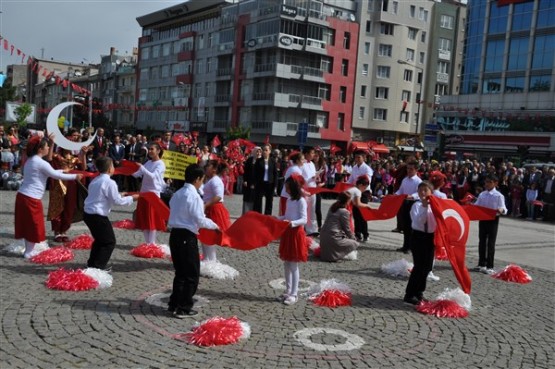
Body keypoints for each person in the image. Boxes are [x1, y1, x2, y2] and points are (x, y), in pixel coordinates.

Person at [14, 134, 83, 258]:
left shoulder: (31, 160)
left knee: (27, 225)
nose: (48, 148)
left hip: (23, 196)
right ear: (40, 149)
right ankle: (29, 252)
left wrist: (64, 171)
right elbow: (54, 175)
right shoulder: (40, 162)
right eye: (46, 146)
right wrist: (74, 176)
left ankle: (28, 250)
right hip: (31, 198)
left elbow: (51, 172)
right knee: (34, 225)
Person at [167, 164, 220, 318]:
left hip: (175, 235)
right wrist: (215, 226)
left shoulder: (177, 193)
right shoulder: (194, 196)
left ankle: (174, 303)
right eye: (202, 180)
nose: (201, 183)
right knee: (191, 274)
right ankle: (183, 307)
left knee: (180, 273)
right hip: (186, 237)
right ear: (197, 179)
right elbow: (200, 219)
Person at [83, 157, 139, 270]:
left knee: (100, 240)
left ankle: (92, 264)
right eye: (113, 166)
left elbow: (105, 195)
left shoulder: (96, 179)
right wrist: (132, 198)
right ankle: (98, 267)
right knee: (109, 242)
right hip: (97, 215)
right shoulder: (109, 182)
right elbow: (117, 201)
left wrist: (120, 194)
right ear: (109, 169)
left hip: (88, 214)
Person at [46, 128, 88, 243]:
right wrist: (51, 143)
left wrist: (83, 154)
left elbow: (83, 168)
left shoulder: (74, 159)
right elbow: (49, 159)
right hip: (58, 185)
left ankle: (64, 231)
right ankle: (57, 231)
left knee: (69, 207)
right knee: (58, 206)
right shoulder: (57, 156)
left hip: (71, 185)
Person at [403, 181, 437, 305]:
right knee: (419, 266)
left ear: (431, 192)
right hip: (418, 236)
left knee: (427, 267)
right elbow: (419, 221)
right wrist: (424, 206)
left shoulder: (434, 206)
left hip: (430, 237)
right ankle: (409, 294)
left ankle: (419, 292)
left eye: (425, 190)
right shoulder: (416, 205)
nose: (423, 192)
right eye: (420, 190)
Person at [276, 174, 308, 305]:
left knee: (293, 265)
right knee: (286, 263)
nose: (286, 190)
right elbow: (287, 215)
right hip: (288, 233)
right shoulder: (290, 200)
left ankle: (294, 294)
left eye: (288, 187)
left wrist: (292, 223)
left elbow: (304, 219)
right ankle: (288, 290)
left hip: (296, 233)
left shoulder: (301, 201)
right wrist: (278, 218)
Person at [133, 142, 167, 245]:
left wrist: (142, 168)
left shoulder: (161, 164)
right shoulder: (148, 162)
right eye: (150, 149)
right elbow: (138, 174)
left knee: (152, 219)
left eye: (152, 149)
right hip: (144, 193)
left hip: (153, 194)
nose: (150, 151)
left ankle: (151, 243)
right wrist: (129, 168)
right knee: (144, 219)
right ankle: (147, 242)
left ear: (158, 151)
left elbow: (153, 176)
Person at [473, 174, 507, 274]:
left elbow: (504, 208)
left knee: (491, 243)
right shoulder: (482, 194)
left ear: (495, 183)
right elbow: (476, 206)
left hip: (493, 220)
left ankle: (490, 266)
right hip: (483, 219)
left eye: (489, 182)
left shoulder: (499, 196)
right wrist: (471, 205)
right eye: (486, 182)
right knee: (482, 241)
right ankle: (481, 263)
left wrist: (501, 210)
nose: (487, 184)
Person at [201, 160, 231, 261]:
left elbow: (218, 196)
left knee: (209, 235)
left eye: (208, 166)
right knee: (205, 235)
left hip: (214, 208)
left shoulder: (216, 180)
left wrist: (205, 205)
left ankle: (211, 260)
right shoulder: (210, 179)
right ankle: (206, 258)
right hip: (209, 207)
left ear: (214, 169)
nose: (205, 167)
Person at [319, 191, 359, 262]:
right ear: (347, 201)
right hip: (333, 237)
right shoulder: (344, 212)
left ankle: (332, 253)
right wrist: (353, 238)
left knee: (343, 238)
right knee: (355, 244)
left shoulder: (333, 207)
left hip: (323, 236)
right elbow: (347, 229)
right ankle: (336, 256)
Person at [395, 160, 422, 253]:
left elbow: (419, 193)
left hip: (413, 204)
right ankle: (405, 246)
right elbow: (401, 190)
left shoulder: (418, 181)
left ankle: (410, 247)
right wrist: (395, 195)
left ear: (416, 170)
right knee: (405, 226)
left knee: (411, 226)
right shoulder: (405, 179)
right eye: (408, 169)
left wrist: (411, 196)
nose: (409, 171)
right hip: (404, 203)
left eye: (411, 169)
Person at [346, 175, 373, 242]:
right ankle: (353, 236)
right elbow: (358, 204)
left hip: (344, 207)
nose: (365, 189)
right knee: (353, 221)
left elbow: (355, 203)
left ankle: (357, 235)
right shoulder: (358, 191)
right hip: (346, 208)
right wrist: (367, 206)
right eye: (365, 187)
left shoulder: (352, 188)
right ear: (361, 185)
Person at [253, 144, 278, 215]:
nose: (264, 151)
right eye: (263, 150)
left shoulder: (273, 161)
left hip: (270, 184)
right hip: (260, 183)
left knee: (269, 201)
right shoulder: (258, 161)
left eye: (266, 150)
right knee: (258, 201)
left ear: (270, 151)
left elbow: (275, 174)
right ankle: (258, 215)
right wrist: (255, 183)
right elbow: (255, 173)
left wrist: (275, 185)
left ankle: (267, 216)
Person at [301, 147, 319, 236]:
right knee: (304, 209)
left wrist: (316, 177)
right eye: (312, 153)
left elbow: (313, 174)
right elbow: (300, 177)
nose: (313, 155)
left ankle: (312, 229)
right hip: (305, 189)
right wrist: (309, 179)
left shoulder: (312, 163)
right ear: (306, 154)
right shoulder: (302, 163)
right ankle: (302, 228)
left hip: (313, 188)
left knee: (312, 209)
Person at [279, 151, 304, 216]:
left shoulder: (294, 168)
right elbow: (296, 185)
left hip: (288, 195)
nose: (304, 161)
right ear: (297, 160)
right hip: (288, 196)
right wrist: (304, 192)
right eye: (302, 159)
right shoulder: (295, 170)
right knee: (285, 216)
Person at [242, 146, 261, 214]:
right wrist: (245, 180)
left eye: (259, 151)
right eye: (257, 151)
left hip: (257, 184)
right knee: (248, 198)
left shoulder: (262, 161)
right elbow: (246, 171)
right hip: (249, 182)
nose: (258, 153)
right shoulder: (250, 160)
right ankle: (246, 214)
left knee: (256, 199)